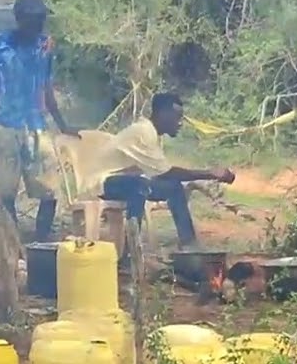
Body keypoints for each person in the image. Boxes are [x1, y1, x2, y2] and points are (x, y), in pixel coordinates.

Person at [90, 92, 234, 248]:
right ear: (163, 114)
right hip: (100, 182)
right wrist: (210, 174)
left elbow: (161, 174)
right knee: (139, 186)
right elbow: (167, 172)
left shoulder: (150, 133)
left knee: (173, 188)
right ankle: (131, 248)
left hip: (120, 180)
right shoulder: (143, 132)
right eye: (177, 117)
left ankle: (189, 244)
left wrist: (198, 182)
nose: (180, 123)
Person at [0, 0, 73, 242]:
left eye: (41, 20)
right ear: (19, 19)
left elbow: (47, 87)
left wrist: (62, 125)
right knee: (5, 192)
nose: (38, 25)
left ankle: (41, 241)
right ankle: (13, 243)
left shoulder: (44, 46)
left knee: (49, 190)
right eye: (33, 20)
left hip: (36, 126)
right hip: (4, 125)